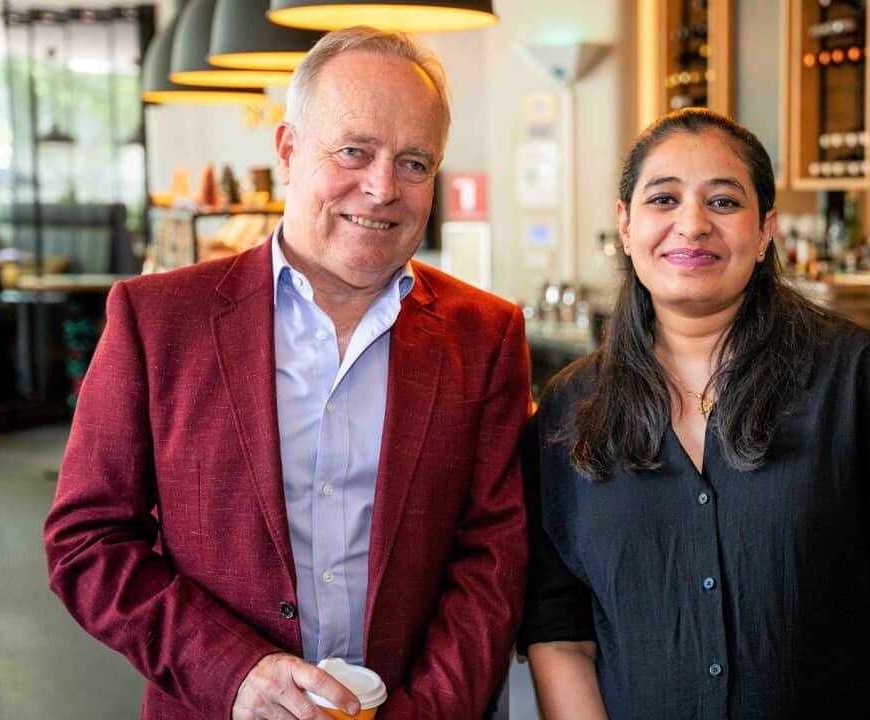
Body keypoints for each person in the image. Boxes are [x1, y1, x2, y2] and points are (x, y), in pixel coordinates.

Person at [45, 27, 530, 720]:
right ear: (287, 151)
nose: (383, 187)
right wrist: (234, 673)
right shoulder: (157, 321)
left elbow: (492, 561)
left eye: (415, 162)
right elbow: (87, 542)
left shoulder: (485, 336)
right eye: (354, 151)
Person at [519, 108, 870, 719]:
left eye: (723, 202)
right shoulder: (571, 408)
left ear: (765, 230)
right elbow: (560, 628)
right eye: (663, 199)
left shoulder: (861, 380)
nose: (692, 225)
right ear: (625, 226)